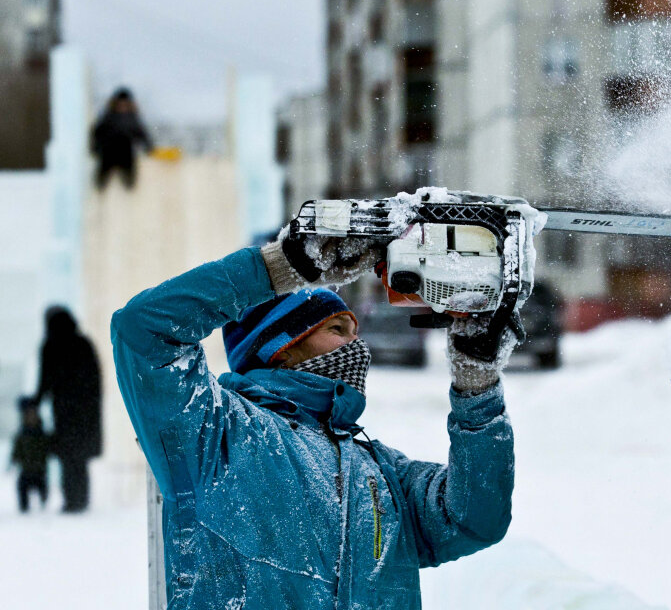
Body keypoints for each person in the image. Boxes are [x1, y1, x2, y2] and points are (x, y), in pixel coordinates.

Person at [112, 214, 526, 608]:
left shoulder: (380, 470)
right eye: (336, 330)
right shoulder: (217, 432)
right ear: (281, 347)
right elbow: (144, 331)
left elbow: (474, 517)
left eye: (354, 331)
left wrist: (477, 384)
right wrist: (284, 266)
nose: (357, 347)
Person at [35, 307, 103, 513]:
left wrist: (35, 403)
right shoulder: (83, 344)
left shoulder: (51, 345)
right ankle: (79, 500)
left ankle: (73, 500)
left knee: (69, 457)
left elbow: (45, 380)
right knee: (78, 459)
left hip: (65, 412)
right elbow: (95, 381)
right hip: (84, 412)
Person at [91, 87, 152, 189]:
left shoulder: (132, 117)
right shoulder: (108, 117)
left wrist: (149, 147)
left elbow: (141, 133)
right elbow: (98, 133)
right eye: (120, 103)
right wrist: (96, 147)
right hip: (109, 152)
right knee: (101, 182)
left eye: (125, 104)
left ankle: (129, 190)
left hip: (126, 153)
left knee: (129, 182)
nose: (122, 106)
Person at [10, 397, 52, 513]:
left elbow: (48, 448)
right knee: (22, 487)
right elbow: (16, 450)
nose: (31, 418)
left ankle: (44, 503)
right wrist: (13, 460)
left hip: (40, 470)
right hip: (26, 470)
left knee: (43, 489)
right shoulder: (22, 436)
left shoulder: (42, 435)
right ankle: (24, 508)